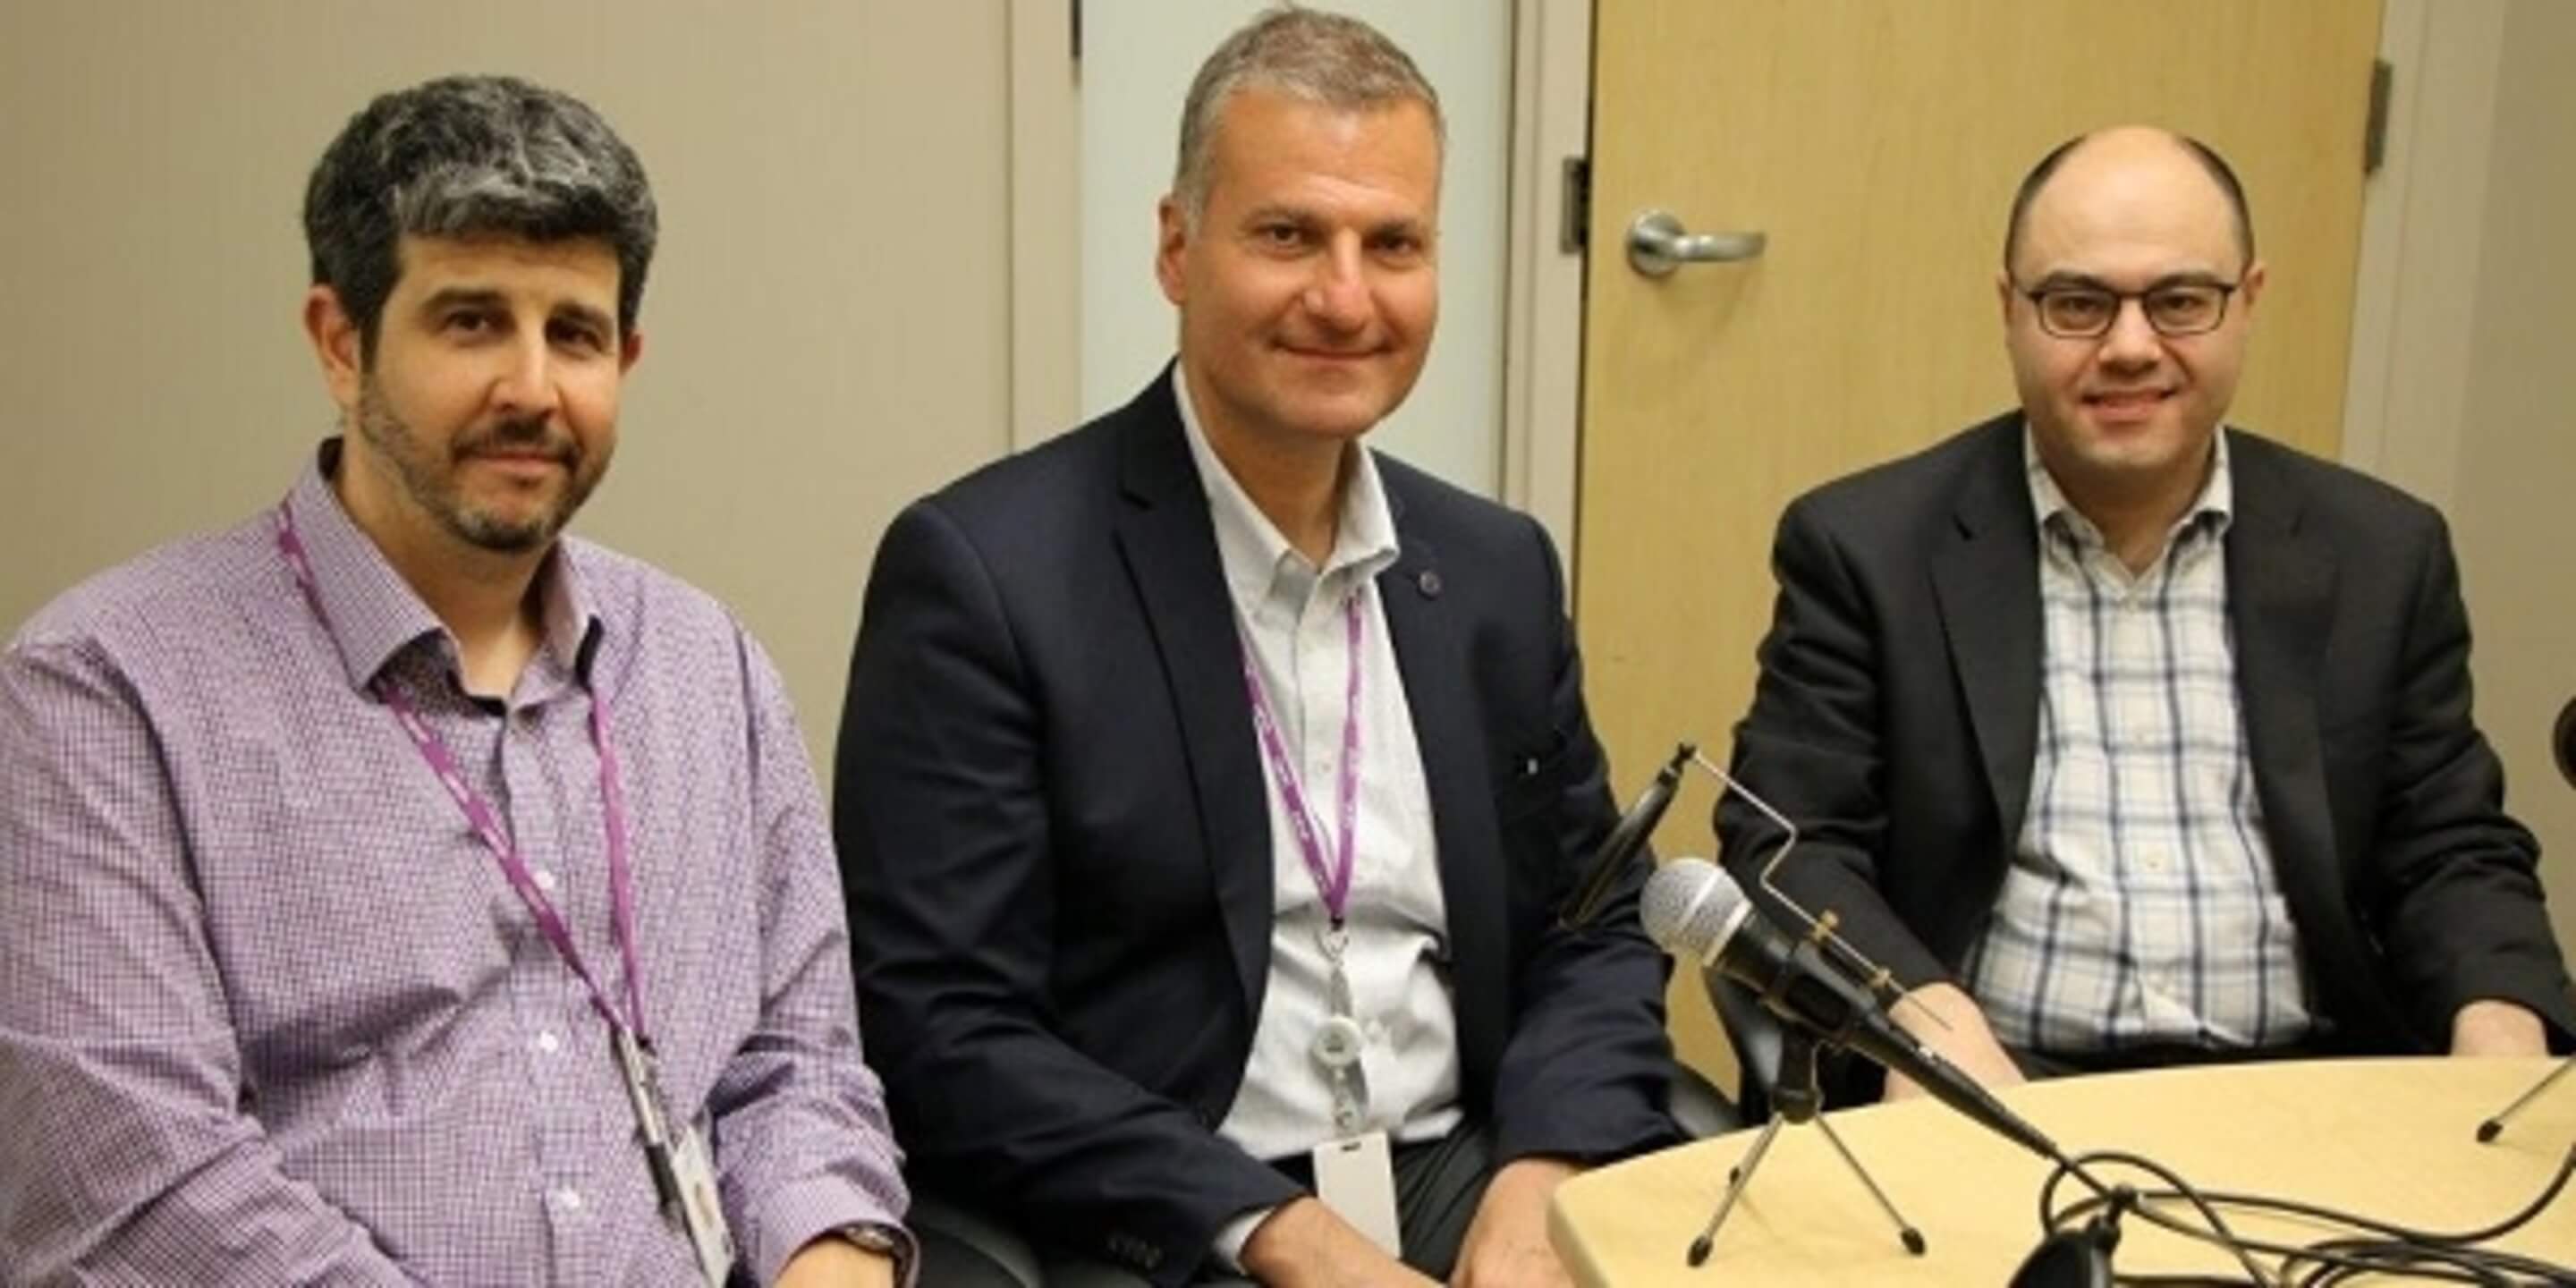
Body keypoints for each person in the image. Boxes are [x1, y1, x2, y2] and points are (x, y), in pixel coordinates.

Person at [0, 75, 911, 1286]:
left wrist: (826, 1259)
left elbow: (796, 1071)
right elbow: (133, 1189)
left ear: (626, 357)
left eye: (574, 334)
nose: (532, 389)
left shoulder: (709, 672)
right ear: (341, 342)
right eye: (471, 321)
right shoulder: (105, 692)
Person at [834, 10, 1677, 1286]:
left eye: (1392, 244)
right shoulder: (985, 577)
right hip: (1172, 1206)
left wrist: (1543, 1173)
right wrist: (1279, 1234)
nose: (1345, 298)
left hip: (1465, 1168)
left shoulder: (1495, 570)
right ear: (1177, 248)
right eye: (1287, 235)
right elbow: (938, 1021)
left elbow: (1597, 923)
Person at [1719, 125, 2575, 1106]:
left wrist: (2502, 1030)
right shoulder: (1864, 550)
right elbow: (1790, 847)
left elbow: (2450, 848)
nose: (2130, 347)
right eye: (2078, 303)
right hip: (2000, 1090)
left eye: (2179, 301)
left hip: (2315, 1090)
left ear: (2248, 302)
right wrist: (1920, 1023)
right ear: (2010, 311)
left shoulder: (2382, 552)